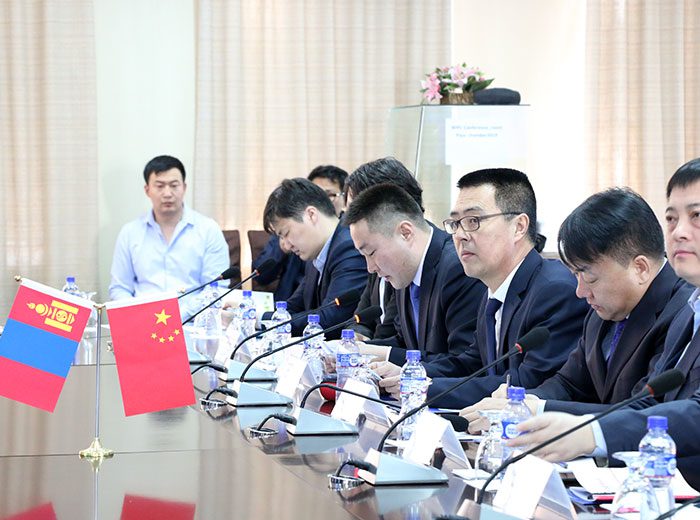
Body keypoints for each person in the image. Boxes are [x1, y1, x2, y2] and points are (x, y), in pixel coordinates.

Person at [506, 158, 700, 490]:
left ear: (640, 268)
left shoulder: (677, 307)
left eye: (696, 216)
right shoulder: (691, 311)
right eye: (671, 218)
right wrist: (531, 406)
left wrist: (590, 432)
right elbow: (651, 404)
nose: (679, 231)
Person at [462, 188, 691, 426]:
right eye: (575, 275)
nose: (580, 291)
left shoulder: (683, 314)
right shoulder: (601, 312)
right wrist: (522, 402)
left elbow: (644, 411)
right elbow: (568, 384)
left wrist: (538, 410)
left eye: (589, 277)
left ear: (640, 268)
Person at [375, 168, 589, 407]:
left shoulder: (554, 291)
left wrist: (425, 388)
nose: (460, 235)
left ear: (519, 227)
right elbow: (472, 364)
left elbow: (525, 383)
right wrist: (412, 375)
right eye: (456, 223)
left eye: (473, 221)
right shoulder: (494, 292)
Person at [345, 183, 485, 364]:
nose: (370, 268)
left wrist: (384, 355)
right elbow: (405, 343)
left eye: (371, 253)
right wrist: (358, 350)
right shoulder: (405, 271)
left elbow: (464, 362)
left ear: (405, 233)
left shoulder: (457, 268)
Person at [109, 155, 229, 316]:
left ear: (184, 187)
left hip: (193, 322)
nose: (167, 193)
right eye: (159, 186)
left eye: (174, 185)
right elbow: (120, 288)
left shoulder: (208, 229)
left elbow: (215, 288)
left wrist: (177, 316)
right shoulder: (130, 233)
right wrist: (138, 316)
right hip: (142, 321)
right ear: (147, 190)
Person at [262, 177, 367, 338]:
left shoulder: (349, 247)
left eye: (286, 233)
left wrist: (263, 320)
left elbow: (329, 319)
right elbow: (292, 306)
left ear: (311, 215)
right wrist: (259, 315)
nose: (287, 246)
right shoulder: (316, 252)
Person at [343, 157, 425, 341]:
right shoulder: (376, 253)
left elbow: (394, 337)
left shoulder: (410, 258)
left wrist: (365, 348)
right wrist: (357, 337)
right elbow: (361, 318)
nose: (348, 220)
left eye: (354, 211)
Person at [253, 165, 348, 301]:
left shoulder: (347, 245)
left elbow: (331, 311)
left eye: (330, 194)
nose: (287, 244)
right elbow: (295, 303)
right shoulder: (314, 247)